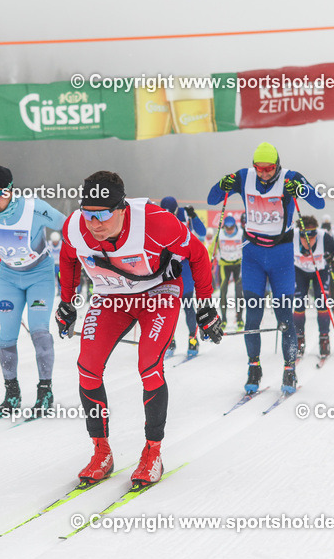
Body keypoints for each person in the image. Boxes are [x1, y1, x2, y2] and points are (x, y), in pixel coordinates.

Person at [56, 171, 221, 486]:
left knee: (149, 366)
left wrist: (205, 306)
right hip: (111, 298)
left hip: (157, 295)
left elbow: (198, 255)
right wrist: (67, 302)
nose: (94, 222)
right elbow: (68, 258)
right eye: (87, 213)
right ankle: (101, 451)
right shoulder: (75, 226)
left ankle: (152, 452)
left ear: (122, 209)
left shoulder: (155, 222)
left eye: (103, 214)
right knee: (87, 367)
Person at [207, 142, 324, 394]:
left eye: (268, 169)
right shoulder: (243, 177)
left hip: (281, 255)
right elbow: (212, 198)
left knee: (285, 317)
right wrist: (222, 185)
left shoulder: (290, 177)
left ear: (277, 165)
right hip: (253, 255)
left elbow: (319, 202)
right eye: (259, 169)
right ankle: (254, 367)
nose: (263, 174)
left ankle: (289, 369)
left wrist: (301, 189)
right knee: (253, 316)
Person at [0, 166, 66, 417]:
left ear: (11, 191)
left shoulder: (34, 208)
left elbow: (68, 227)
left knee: (38, 331)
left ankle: (45, 391)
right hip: (9, 277)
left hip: (39, 275)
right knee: (6, 337)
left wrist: (80, 259)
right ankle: (11, 394)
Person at [159, 196, 206, 358]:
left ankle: (193, 339)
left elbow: (203, 232)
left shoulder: (185, 214)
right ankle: (169, 341)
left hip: (184, 266)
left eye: (171, 214)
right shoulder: (159, 215)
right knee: (167, 307)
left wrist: (194, 216)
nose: (169, 218)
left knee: (187, 304)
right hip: (166, 267)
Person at [293, 216, 334, 360]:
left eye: (312, 236)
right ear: (299, 233)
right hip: (299, 272)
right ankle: (299, 339)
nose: (308, 240)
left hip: (319, 272)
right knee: (298, 304)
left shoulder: (324, 237)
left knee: (322, 303)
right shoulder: (292, 236)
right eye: (304, 237)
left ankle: (324, 339)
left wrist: (332, 258)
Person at [211, 215, 244, 329]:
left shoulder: (241, 233)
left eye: (231, 228)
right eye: (227, 228)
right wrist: (209, 258)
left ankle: (239, 319)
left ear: (235, 226)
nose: (229, 231)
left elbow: (248, 247)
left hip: (238, 264)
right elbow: (212, 249)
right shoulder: (219, 234)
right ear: (224, 226)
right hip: (224, 265)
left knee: (239, 293)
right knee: (223, 292)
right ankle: (224, 319)